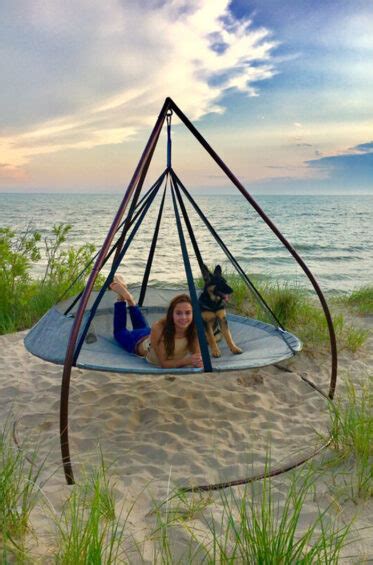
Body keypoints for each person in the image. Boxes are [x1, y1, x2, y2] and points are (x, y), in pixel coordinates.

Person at [110, 276, 203, 369]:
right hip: (138, 341)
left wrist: (198, 361)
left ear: (193, 314)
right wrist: (188, 360)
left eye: (187, 313)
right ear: (171, 314)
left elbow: (199, 359)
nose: (184, 317)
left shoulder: (194, 330)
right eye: (178, 313)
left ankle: (131, 301)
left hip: (150, 334)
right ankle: (121, 299)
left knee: (141, 327)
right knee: (119, 332)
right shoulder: (159, 328)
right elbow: (164, 364)